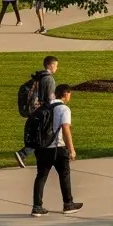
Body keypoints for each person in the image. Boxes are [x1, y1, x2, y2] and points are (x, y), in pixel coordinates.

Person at [30, 84, 82, 217]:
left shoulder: (44, 106)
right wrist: (71, 149)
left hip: (42, 148)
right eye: (69, 94)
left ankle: (37, 206)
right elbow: (65, 129)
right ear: (66, 94)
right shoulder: (64, 109)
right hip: (58, 148)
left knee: (41, 176)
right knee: (64, 175)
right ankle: (68, 204)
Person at [16, 55, 59, 168]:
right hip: (42, 112)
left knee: (38, 135)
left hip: (33, 110)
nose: (56, 68)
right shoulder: (49, 79)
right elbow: (50, 99)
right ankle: (23, 153)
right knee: (43, 136)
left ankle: (38, 157)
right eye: (56, 65)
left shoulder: (38, 77)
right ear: (51, 65)